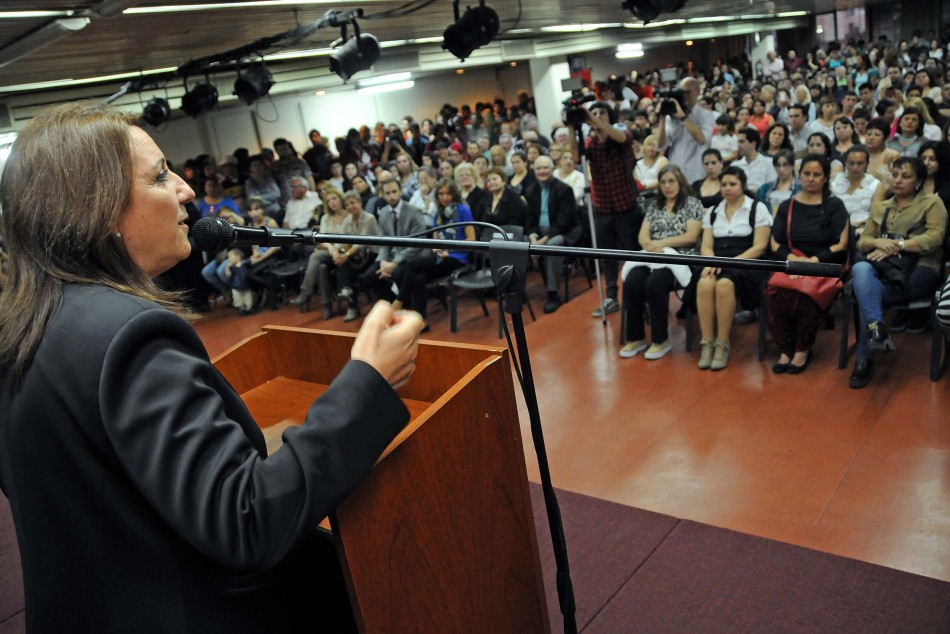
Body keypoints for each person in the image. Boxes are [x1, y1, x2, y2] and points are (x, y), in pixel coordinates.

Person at [0, 102, 423, 632]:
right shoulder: (128, 332)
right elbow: (245, 522)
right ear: (99, 209)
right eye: (159, 176)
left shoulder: (22, 325)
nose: (186, 191)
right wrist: (368, 382)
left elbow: (98, 485)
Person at [848, 157, 948, 388]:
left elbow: (935, 238)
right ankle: (876, 329)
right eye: (895, 175)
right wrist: (878, 243)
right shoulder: (881, 206)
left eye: (906, 176)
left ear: (919, 180)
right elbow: (863, 242)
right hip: (884, 270)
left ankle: (864, 357)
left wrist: (897, 245)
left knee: (867, 295)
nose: (898, 180)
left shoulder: (932, 202)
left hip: (920, 268)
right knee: (860, 267)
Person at [766, 154, 850, 374]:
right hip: (792, 263)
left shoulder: (834, 205)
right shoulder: (788, 205)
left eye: (817, 174)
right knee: (773, 294)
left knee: (802, 298)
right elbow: (775, 242)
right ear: (799, 175)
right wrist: (793, 260)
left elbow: (841, 244)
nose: (811, 179)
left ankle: (802, 348)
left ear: (825, 178)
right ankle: (785, 348)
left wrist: (813, 261)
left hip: (823, 265)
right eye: (807, 174)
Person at [619, 165, 703, 360]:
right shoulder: (655, 206)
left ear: (680, 182)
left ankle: (660, 340)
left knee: (655, 284)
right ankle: (636, 337)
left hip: (680, 257)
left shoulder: (692, 204)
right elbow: (642, 236)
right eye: (663, 182)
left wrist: (661, 243)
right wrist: (650, 245)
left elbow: (691, 236)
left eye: (671, 181)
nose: (667, 186)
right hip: (653, 254)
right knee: (632, 281)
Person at [569, 101, 643, 317]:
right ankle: (611, 296)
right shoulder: (590, 143)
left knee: (633, 252)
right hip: (602, 206)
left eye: (602, 113)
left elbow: (622, 139)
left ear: (610, 117)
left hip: (626, 205)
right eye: (594, 114)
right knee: (607, 255)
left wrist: (593, 120)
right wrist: (572, 127)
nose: (597, 117)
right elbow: (575, 158)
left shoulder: (621, 135)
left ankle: (638, 293)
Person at [697, 166, 773, 370]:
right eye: (724, 184)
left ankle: (723, 342)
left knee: (724, 284)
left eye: (733, 184)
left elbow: (759, 247)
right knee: (704, 283)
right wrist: (712, 261)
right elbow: (706, 245)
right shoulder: (713, 211)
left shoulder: (757, 208)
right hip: (718, 260)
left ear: (743, 185)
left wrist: (729, 263)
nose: (727, 188)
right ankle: (707, 342)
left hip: (746, 262)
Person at [391, 179, 475, 327]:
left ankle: (399, 301)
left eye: (448, 193)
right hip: (440, 257)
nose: (444, 197)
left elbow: (471, 240)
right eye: (441, 194)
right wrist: (438, 250)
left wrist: (448, 251)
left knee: (411, 265)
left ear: (454, 194)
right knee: (418, 278)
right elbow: (435, 241)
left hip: (457, 258)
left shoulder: (463, 210)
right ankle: (420, 321)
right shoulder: (439, 214)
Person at [526, 155, 583, 313]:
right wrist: (532, 237)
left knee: (550, 247)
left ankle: (553, 293)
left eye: (545, 168)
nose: (542, 171)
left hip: (563, 232)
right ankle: (516, 290)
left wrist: (542, 241)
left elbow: (563, 222)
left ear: (552, 169)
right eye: (538, 168)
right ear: (534, 170)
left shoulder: (564, 189)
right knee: (518, 243)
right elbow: (529, 219)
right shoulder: (531, 190)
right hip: (539, 233)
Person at [360, 178, 427, 302]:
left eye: (394, 191)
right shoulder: (383, 213)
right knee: (369, 276)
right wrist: (382, 261)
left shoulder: (414, 212)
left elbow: (418, 243)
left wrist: (394, 263)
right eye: (388, 193)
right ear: (383, 195)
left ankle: (404, 307)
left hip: (412, 257)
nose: (392, 196)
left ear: (401, 192)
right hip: (392, 256)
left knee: (397, 273)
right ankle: (392, 304)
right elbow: (383, 242)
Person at [655, 77, 717, 183]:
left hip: (696, 172)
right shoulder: (671, 116)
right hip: (676, 172)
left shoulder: (705, 115)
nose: (685, 96)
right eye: (682, 92)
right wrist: (662, 117)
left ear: (697, 92)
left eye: (688, 92)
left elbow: (702, 139)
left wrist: (683, 117)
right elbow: (660, 145)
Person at [334, 191, 381, 322]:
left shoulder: (369, 218)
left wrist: (346, 254)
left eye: (353, 203)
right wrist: (338, 252)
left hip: (373, 254)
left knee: (360, 271)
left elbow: (362, 241)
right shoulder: (347, 221)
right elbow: (342, 239)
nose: (350, 207)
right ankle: (351, 302)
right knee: (342, 264)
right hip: (358, 256)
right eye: (347, 205)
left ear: (360, 203)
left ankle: (376, 307)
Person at [829, 145, 882, 235]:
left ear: (867, 164)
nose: (855, 168)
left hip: (864, 230)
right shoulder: (835, 183)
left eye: (860, 163)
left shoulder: (875, 184)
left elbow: (875, 216)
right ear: (845, 163)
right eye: (851, 163)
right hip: (836, 228)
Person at [757, 149, 801, 215]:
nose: (781, 169)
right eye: (778, 165)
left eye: (785, 165)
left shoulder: (800, 189)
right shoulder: (764, 188)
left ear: (792, 165)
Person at [734, 127, 777, 193]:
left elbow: (772, 187)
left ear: (753, 143)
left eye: (742, 142)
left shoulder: (769, 163)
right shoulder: (735, 166)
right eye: (738, 142)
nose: (738, 145)